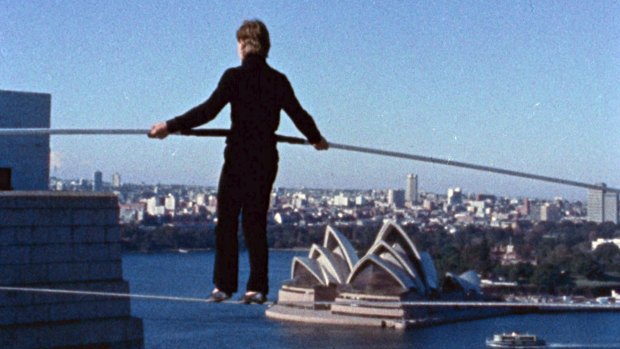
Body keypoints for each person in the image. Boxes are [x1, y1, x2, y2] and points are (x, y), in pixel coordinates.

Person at [148, 19, 328, 304]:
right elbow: (299, 114)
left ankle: (223, 285)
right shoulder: (278, 80)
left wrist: (169, 126)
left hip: (238, 156)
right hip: (265, 158)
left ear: (243, 45)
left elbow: (206, 112)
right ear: (265, 47)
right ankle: (256, 288)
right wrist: (317, 139)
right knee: (255, 223)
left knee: (227, 221)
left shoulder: (233, 77)